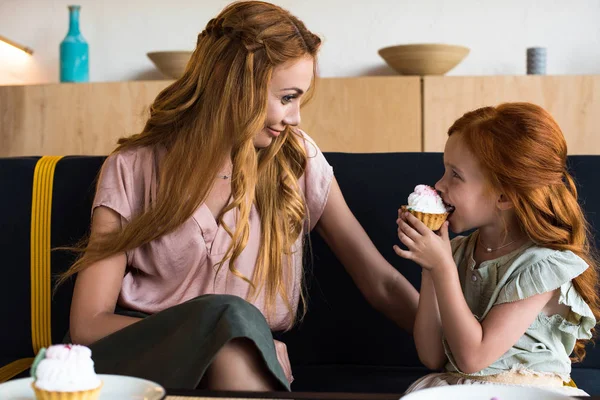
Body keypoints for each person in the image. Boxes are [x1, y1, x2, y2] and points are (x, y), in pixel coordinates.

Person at [58, 0, 419, 392]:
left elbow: (379, 281)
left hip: (244, 366)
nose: (296, 116)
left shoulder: (298, 160)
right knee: (231, 330)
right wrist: (225, 333)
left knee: (234, 342)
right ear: (233, 85)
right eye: (286, 98)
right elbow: (88, 323)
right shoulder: (132, 167)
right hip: (145, 367)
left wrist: (463, 344)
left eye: (299, 98)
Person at [394, 102, 599, 396]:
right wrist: (430, 268)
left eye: (455, 175)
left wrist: (442, 268)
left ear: (504, 196)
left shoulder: (542, 266)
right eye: (444, 170)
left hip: (529, 391)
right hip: (460, 389)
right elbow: (431, 356)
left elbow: (473, 358)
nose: (439, 184)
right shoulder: (456, 253)